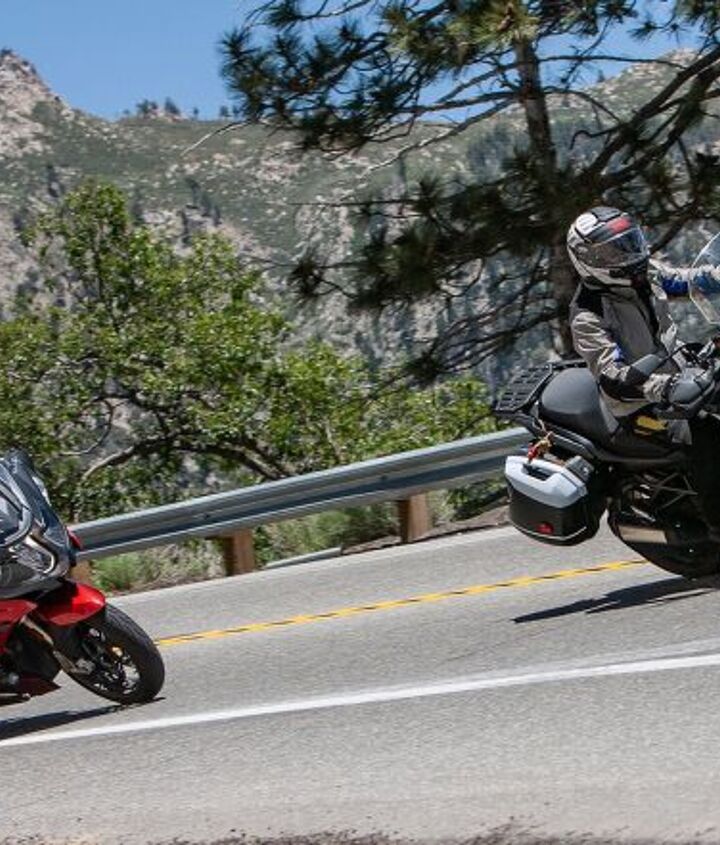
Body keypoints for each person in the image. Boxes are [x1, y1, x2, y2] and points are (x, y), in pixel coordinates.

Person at [566, 205, 720, 539]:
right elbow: (614, 377)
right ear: (588, 260)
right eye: (613, 251)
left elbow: (684, 281)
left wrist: (716, 276)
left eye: (629, 242)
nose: (627, 254)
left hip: (681, 372)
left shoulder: (643, 273)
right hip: (641, 405)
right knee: (706, 434)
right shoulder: (588, 315)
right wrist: (662, 387)